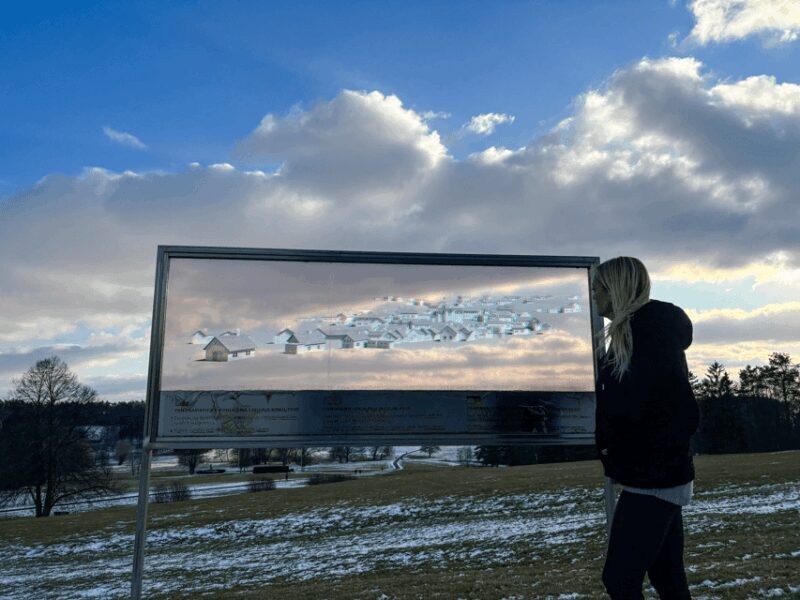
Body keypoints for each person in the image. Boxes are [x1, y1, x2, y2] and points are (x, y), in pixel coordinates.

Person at [591, 256, 700, 599]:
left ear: (616, 290)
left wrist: (639, 454)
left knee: (620, 580)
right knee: (668, 579)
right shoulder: (633, 334)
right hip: (655, 475)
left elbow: (678, 410)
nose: (593, 297)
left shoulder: (648, 334)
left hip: (654, 479)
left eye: (598, 289)